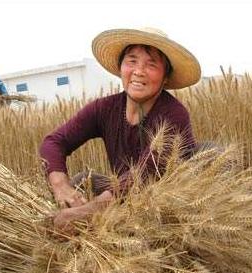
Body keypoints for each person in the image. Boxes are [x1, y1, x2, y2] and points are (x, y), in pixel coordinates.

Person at [39, 27, 201, 233]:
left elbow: (144, 176)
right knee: (81, 181)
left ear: (165, 78)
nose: (138, 71)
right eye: (132, 61)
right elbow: (54, 141)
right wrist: (60, 184)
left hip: (163, 207)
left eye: (151, 64)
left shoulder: (174, 115)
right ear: (120, 67)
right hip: (120, 196)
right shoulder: (104, 108)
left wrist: (86, 212)